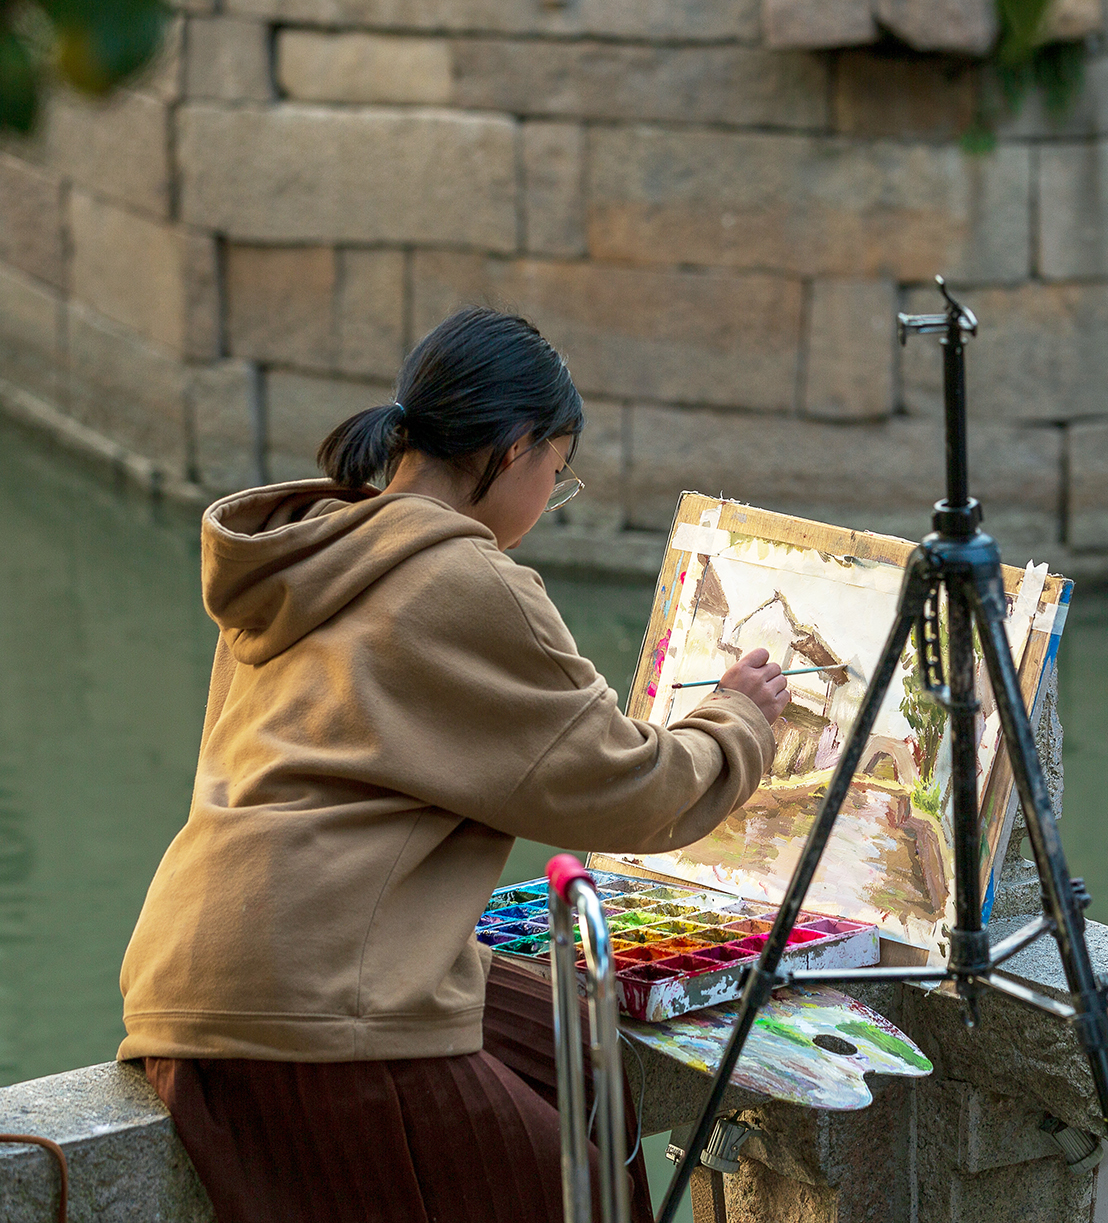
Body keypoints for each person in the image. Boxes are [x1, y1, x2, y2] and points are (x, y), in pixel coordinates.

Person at [117, 307, 787, 1223]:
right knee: (569, 1202)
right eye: (558, 472)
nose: (552, 498)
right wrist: (741, 719)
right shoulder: (467, 582)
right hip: (307, 1009)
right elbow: (632, 790)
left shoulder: (311, 551)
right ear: (513, 452)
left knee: (581, 1055)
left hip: (192, 971)